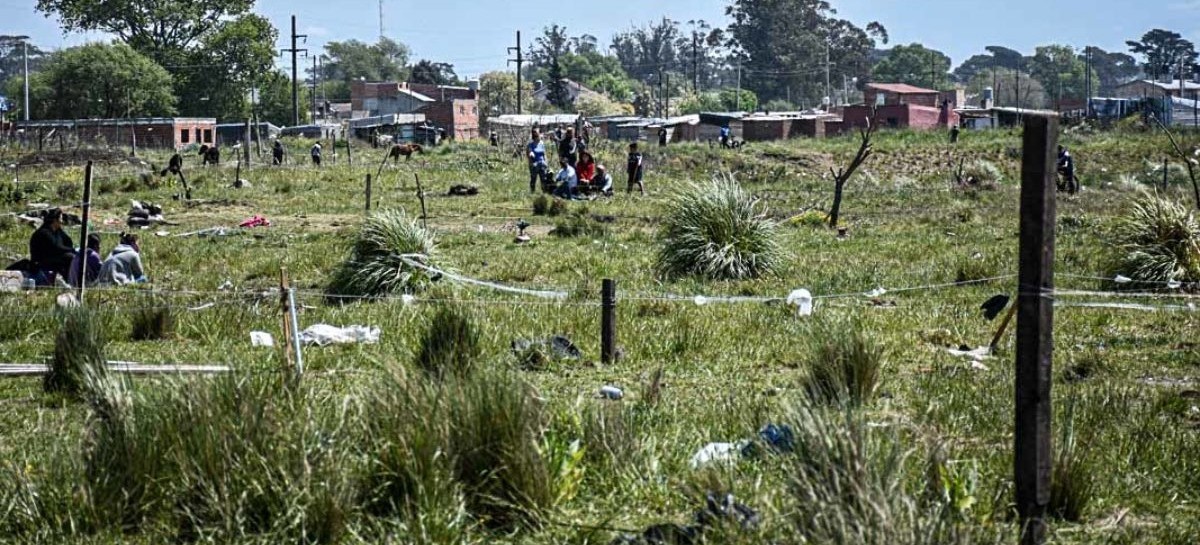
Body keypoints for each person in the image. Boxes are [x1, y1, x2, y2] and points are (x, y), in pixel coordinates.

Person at [28, 208, 75, 285]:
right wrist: (71, 250)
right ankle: (69, 281)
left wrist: (70, 249)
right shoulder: (44, 232)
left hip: (53, 257)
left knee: (71, 257)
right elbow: (57, 247)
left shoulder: (57, 231)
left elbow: (68, 241)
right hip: (41, 260)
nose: (62, 221)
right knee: (69, 257)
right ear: (54, 220)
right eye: (60, 218)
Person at [527, 129, 549, 193]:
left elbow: (544, 154)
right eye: (536, 135)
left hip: (542, 164)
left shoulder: (541, 143)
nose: (538, 136)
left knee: (544, 179)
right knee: (533, 179)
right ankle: (532, 192)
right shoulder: (531, 144)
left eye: (538, 134)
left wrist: (546, 162)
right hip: (535, 164)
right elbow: (529, 153)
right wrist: (531, 155)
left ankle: (544, 192)